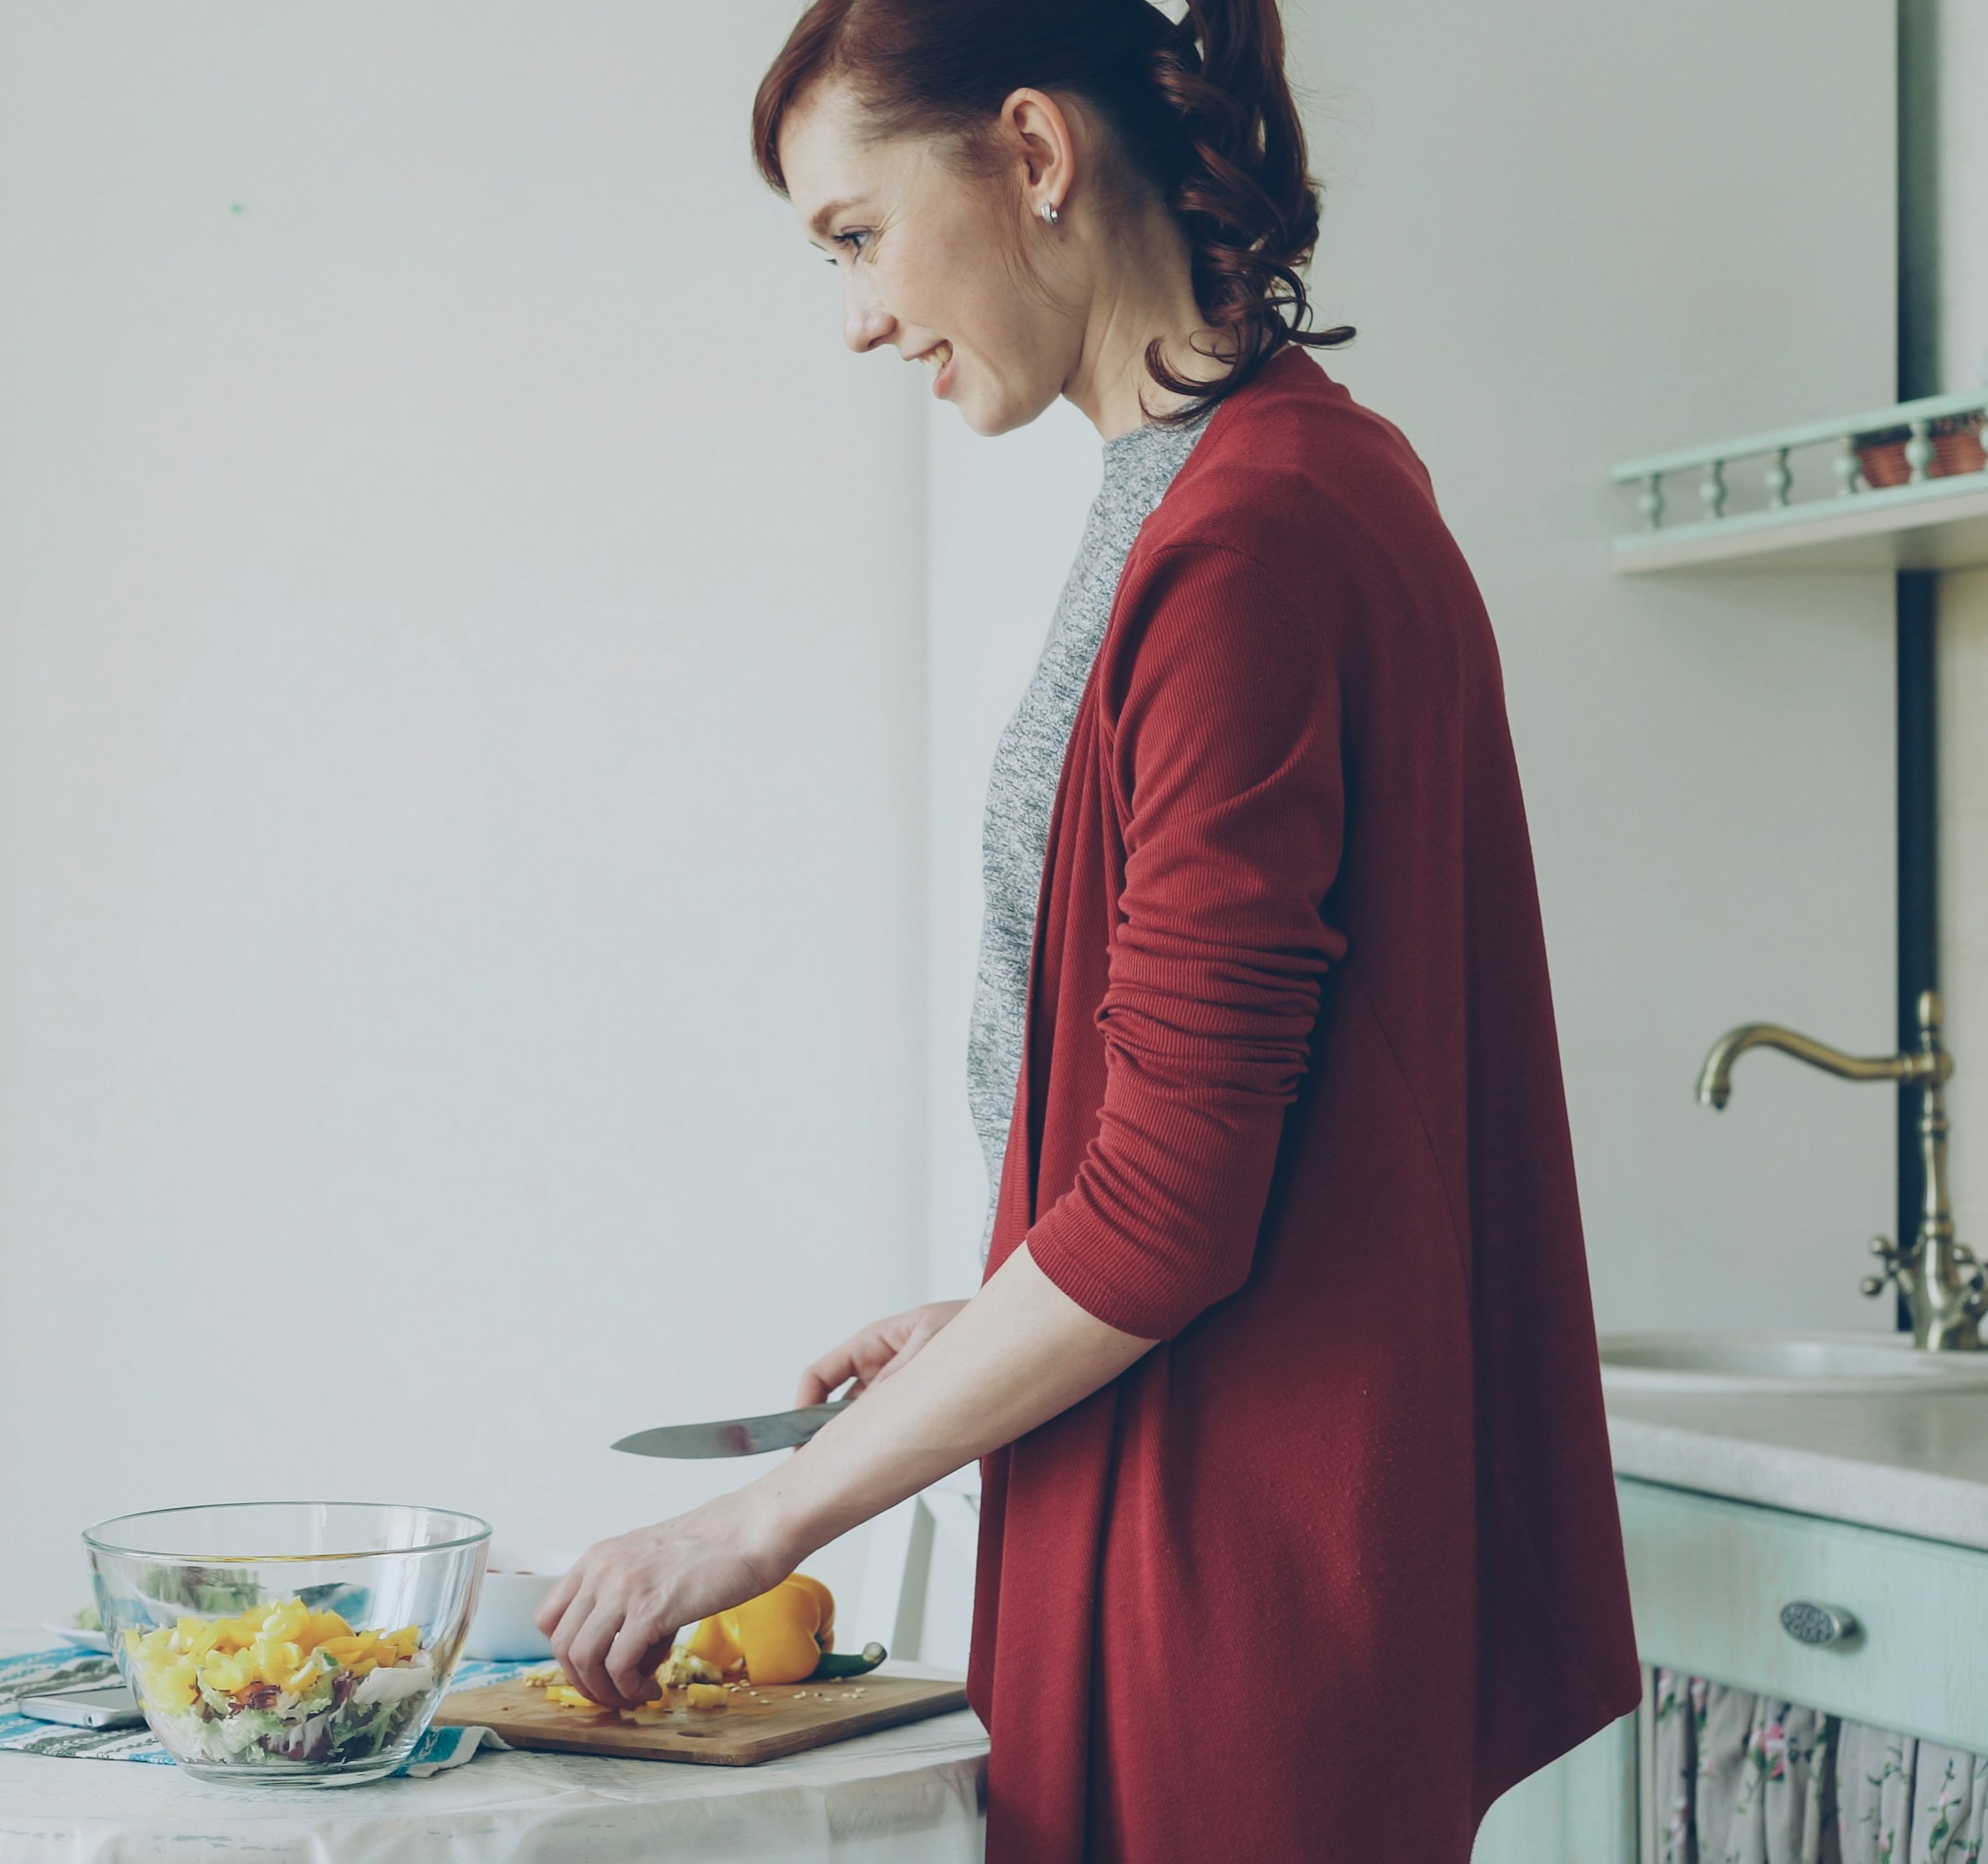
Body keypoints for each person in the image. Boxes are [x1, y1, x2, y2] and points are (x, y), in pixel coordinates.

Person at [537, 2, 1640, 1857]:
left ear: (1034, 156)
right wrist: (997, 1317)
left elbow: (1168, 1204)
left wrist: (762, 1517)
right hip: (1208, 1512)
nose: (859, 317)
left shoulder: (1249, 540)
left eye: (855, 235)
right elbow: (1253, 1140)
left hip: (1233, 1585)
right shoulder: (1257, 486)